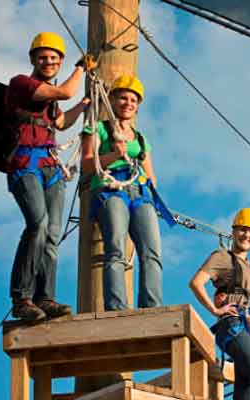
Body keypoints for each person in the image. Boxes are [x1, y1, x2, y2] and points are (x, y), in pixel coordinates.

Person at [7, 32, 94, 321]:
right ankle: (22, 298)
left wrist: (85, 105)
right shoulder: (22, 84)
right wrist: (80, 68)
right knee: (38, 225)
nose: (49, 62)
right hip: (25, 164)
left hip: (50, 167)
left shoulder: (50, 96)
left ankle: (45, 298)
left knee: (52, 235)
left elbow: (60, 122)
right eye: (43, 57)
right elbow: (66, 92)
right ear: (33, 59)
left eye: (54, 58)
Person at [81, 74, 163, 310]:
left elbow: (151, 174)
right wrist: (115, 155)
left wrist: (151, 189)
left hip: (139, 190)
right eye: (123, 98)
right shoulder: (99, 128)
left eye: (133, 100)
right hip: (111, 188)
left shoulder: (140, 139)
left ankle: (152, 306)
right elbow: (88, 164)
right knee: (116, 248)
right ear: (112, 100)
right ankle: (116, 307)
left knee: (151, 251)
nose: (128, 103)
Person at [189, 208, 250, 400]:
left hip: (248, 328)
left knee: (245, 383)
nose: (247, 235)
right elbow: (197, 283)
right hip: (232, 326)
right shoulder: (223, 257)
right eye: (243, 230)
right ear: (234, 232)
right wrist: (215, 310)